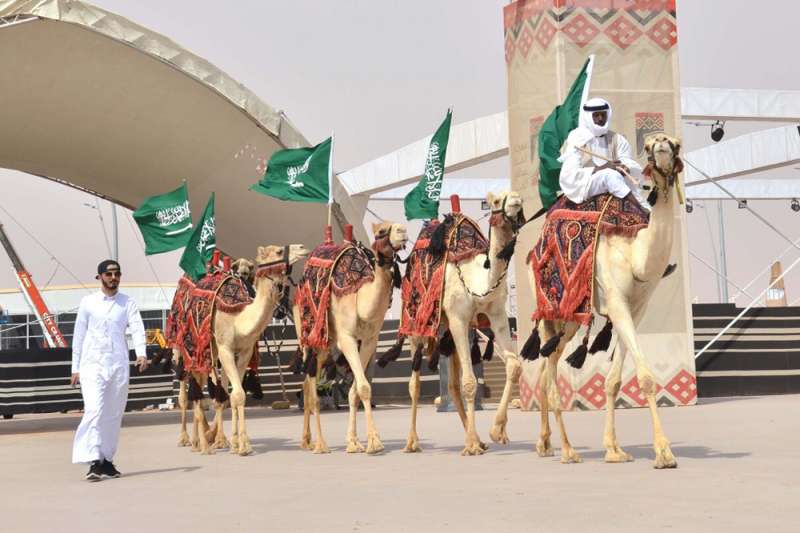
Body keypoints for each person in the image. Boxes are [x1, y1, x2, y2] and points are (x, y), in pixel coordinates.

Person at [70, 260, 148, 481]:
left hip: (118, 365)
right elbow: (79, 337)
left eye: (117, 273)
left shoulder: (127, 303)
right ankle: (94, 459)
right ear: (100, 277)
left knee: (114, 414)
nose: (113, 277)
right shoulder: (88, 303)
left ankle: (107, 460)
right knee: (94, 409)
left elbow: (137, 327)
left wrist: (141, 353)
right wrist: (75, 368)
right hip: (92, 365)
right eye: (109, 274)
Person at [558, 97, 647, 207]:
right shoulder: (577, 138)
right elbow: (569, 173)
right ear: (588, 117)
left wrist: (625, 167)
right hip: (586, 184)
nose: (600, 119)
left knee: (616, 177)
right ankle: (641, 210)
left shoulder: (617, 139)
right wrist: (603, 168)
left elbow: (626, 160)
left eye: (603, 115)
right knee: (609, 175)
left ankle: (647, 213)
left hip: (617, 181)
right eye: (596, 115)